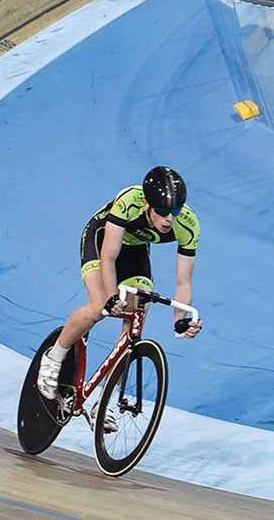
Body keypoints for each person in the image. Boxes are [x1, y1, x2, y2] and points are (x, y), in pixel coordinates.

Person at [37, 166, 203, 407]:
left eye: (175, 211)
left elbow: (183, 281)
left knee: (137, 314)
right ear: (146, 203)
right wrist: (111, 298)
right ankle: (54, 357)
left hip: (136, 249)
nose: (170, 218)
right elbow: (108, 257)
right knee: (98, 307)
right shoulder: (129, 201)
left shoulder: (188, 225)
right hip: (103, 238)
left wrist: (180, 319)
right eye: (163, 211)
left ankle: (106, 399)